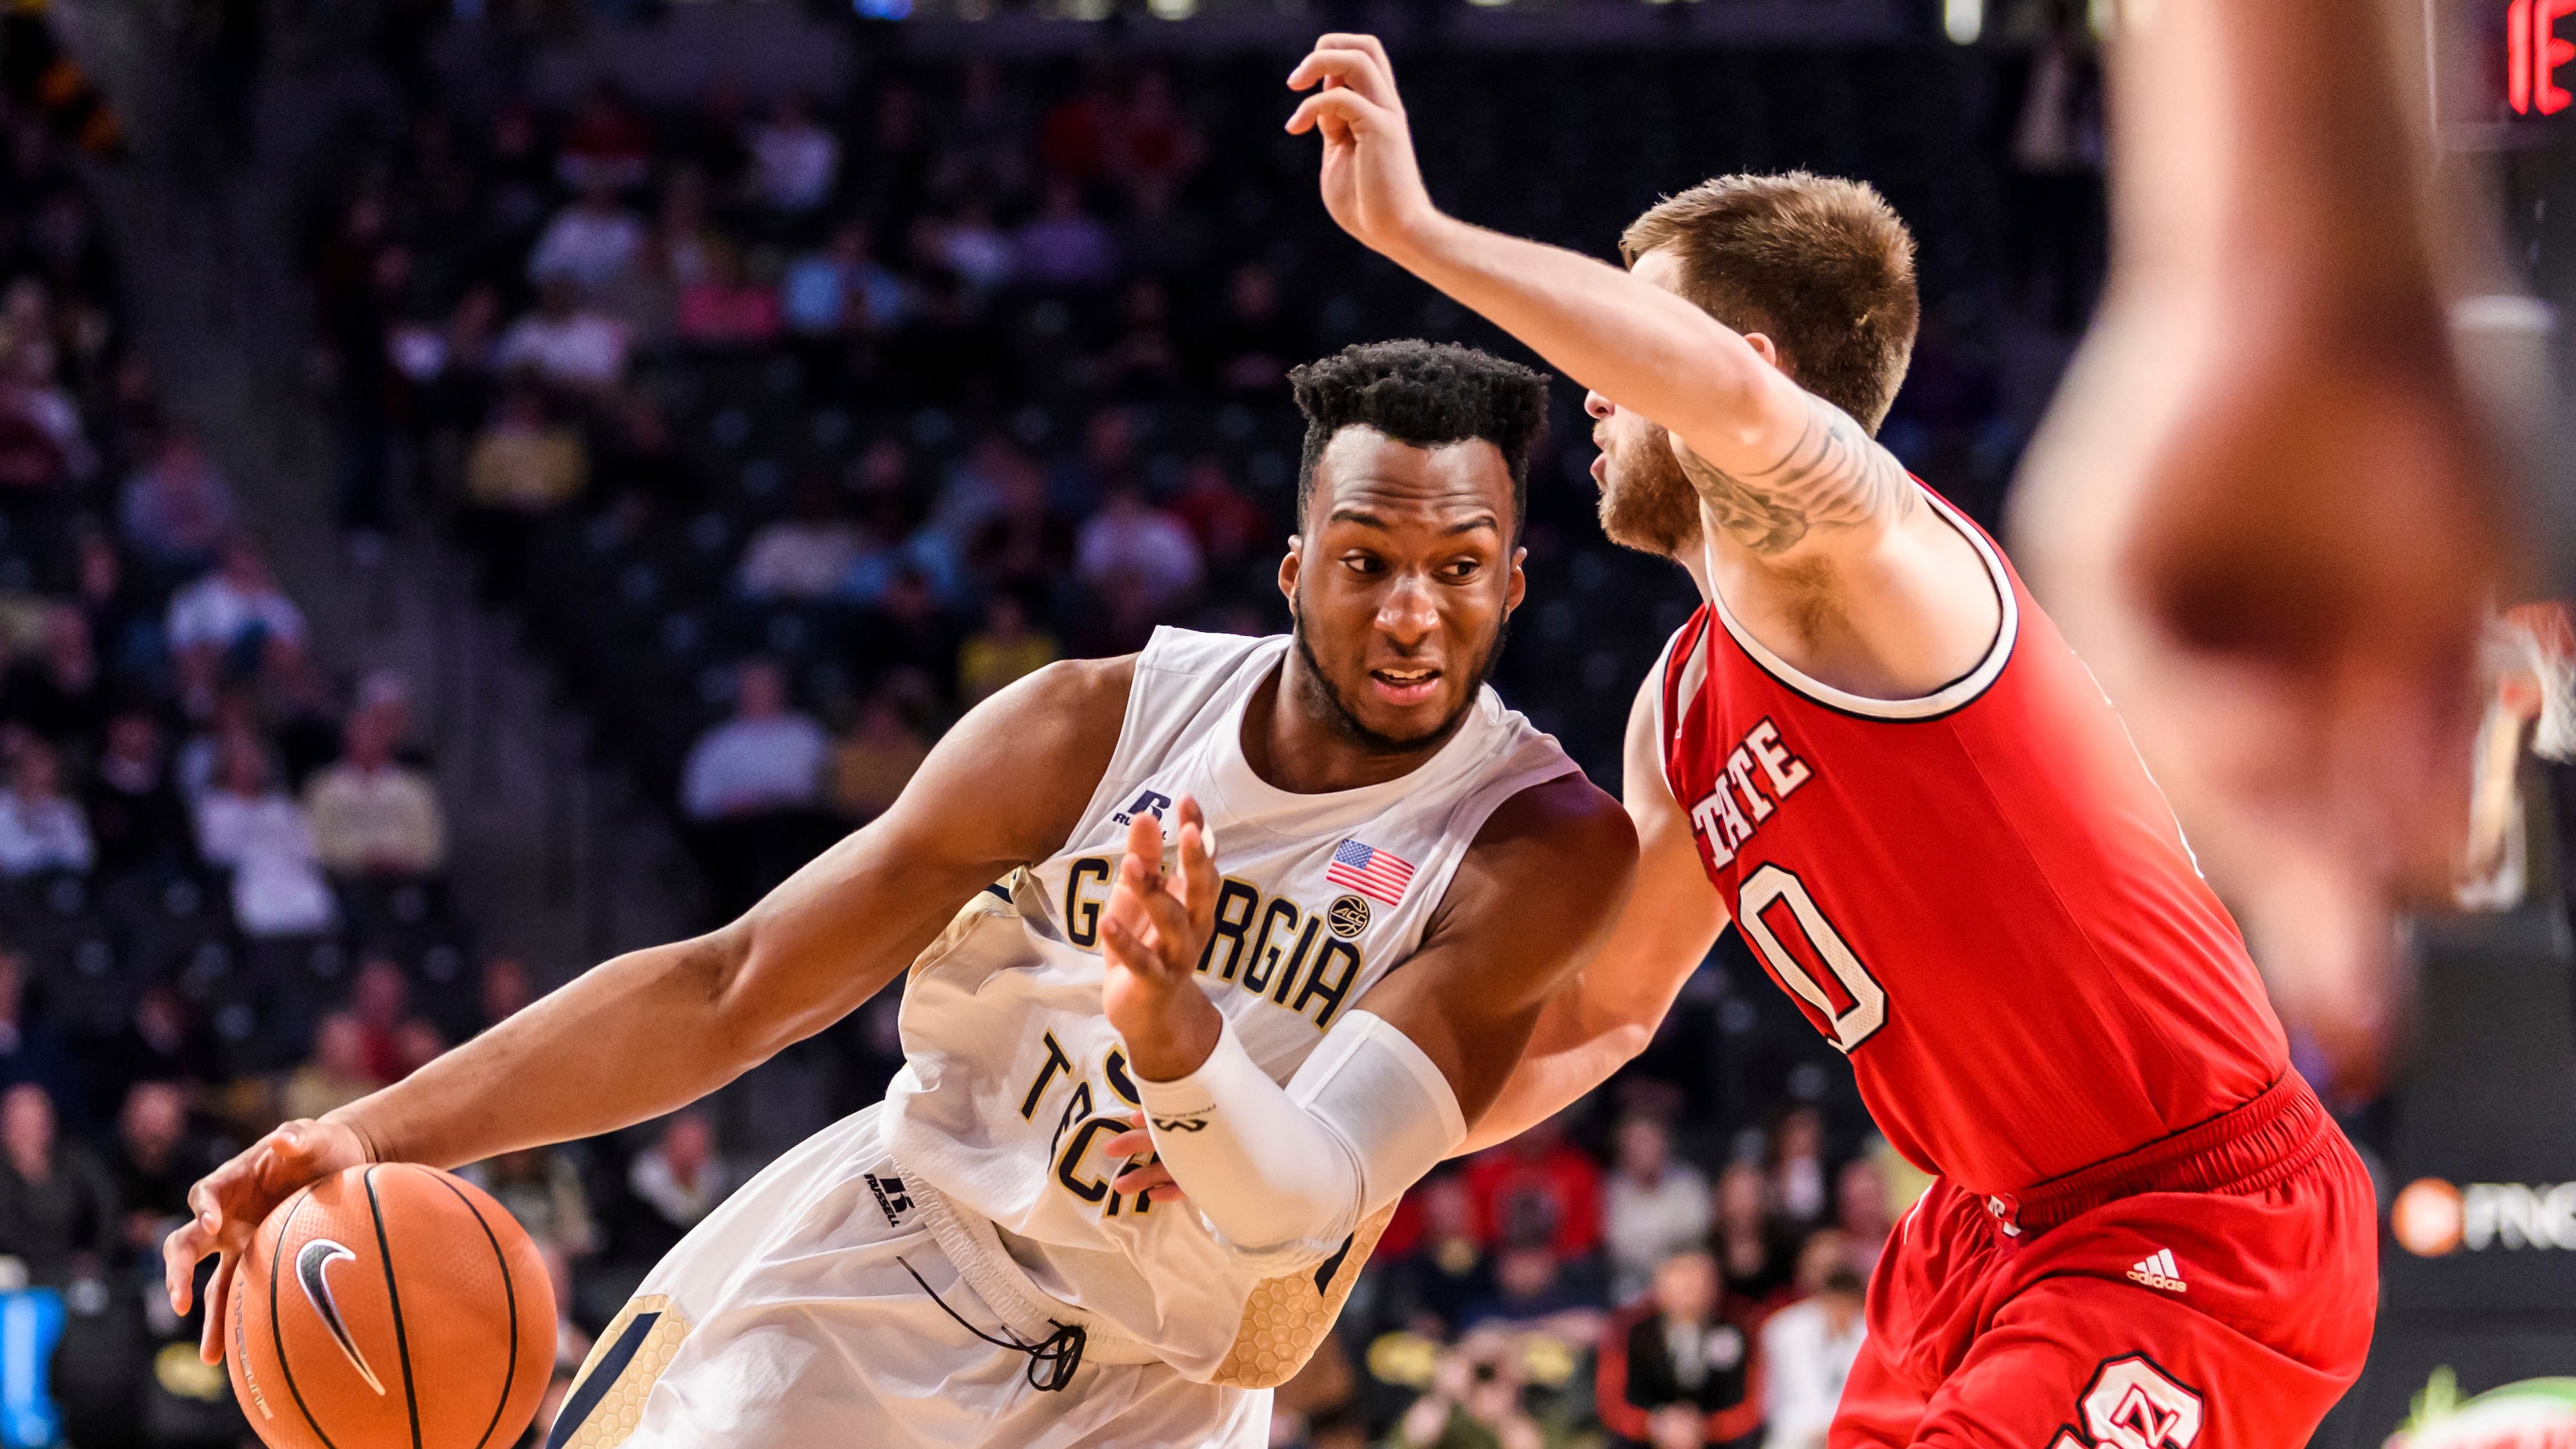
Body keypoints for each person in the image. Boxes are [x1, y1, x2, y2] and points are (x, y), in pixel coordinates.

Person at [166, 340, 1638, 1447]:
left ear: (1514, 582)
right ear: (1293, 563)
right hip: (891, 1267)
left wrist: (1173, 1032)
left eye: (1459, 568)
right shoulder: (1088, 728)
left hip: (1162, 1399)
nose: (1410, 612)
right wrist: (356, 1131)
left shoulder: (1535, 846)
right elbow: (730, 986)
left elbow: (1300, 1198)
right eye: (1368, 561)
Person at [1276, 34, 2376, 1449]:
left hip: (2193, 1211)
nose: (1593, 394)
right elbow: (1603, 1015)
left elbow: (1734, 416)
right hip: (1981, 1231)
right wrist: (1337, 1150)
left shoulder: (1871, 564)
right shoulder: (1677, 713)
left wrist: (1416, 235)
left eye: (1633, 335)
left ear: (1742, 365)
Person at [1595, 1251, 1764, 1449]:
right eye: (1683, 1281)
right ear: (1659, 1289)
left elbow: (1755, 1403)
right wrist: (1654, 1425)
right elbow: (1611, 1403)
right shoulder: (1629, 1334)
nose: (1693, 1288)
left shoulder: (1741, 1330)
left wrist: (1707, 1428)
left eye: (1701, 1280)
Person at [1759, 1267, 1865, 1449]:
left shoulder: (1867, 1335)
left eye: (1848, 1307)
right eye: (1836, 1304)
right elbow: (1773, 1396)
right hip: (1792, 1432)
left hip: (1847, 1434)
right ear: (1823, 1299)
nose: (1841, 1313)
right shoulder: (1785, 1329)